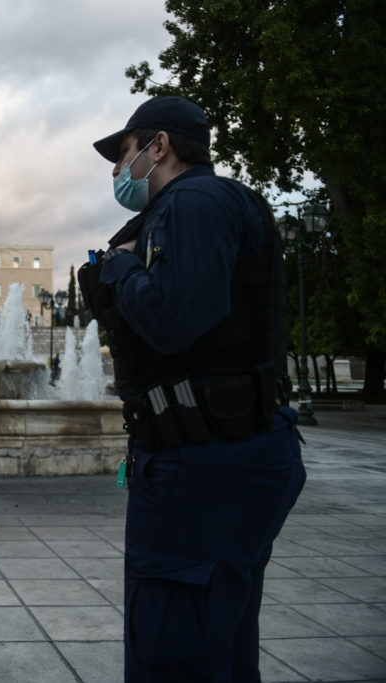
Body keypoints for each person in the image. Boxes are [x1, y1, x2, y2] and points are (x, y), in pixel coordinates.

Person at [78, 96, 306, 681]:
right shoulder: (188, 208)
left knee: (172, 647)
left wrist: (122, 268)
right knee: (218, 643)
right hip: (214, 451)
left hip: (205, 462)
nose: (114, 170)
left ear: (159, 147)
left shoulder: (196, 202)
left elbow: (176, 322)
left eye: (122, 153)